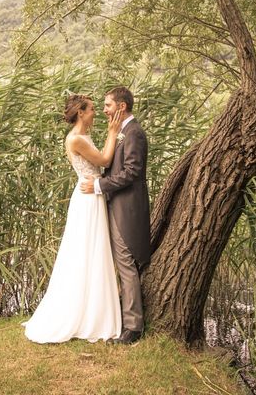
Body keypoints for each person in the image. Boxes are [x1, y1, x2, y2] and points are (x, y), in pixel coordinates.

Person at [23, 94, 124, 343]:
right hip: (88, 198)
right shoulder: (76, 139)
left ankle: (93, 309)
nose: (96, 113)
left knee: (92, 251)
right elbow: (104, 160)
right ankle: (85, 314)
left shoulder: (82, 137)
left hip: (91, 193)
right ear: (80, 112)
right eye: (91, 109)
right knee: (87, 251)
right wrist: (113, 132)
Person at [81, 87, 151, 345]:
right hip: (115, 204)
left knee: (126, 264)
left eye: (108, 105)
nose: (104, 110)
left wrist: (99, 185)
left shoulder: (134, 133)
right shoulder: (123, 132)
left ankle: (133, 327)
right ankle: (120, 318)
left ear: (121, 106)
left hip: (126, 208)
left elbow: (132, 172)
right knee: (118, 263)